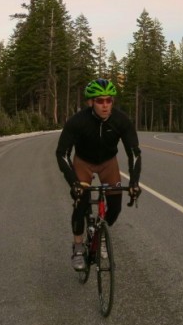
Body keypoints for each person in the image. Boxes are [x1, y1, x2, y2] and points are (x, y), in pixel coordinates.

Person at [55, 78, 142, 271]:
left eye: (108, 100)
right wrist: (74, 182)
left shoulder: (121, 120)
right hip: (83, 162)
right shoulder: (78, 122)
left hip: (108, 163)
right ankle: (78, 247)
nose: (105, 105)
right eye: (100, 101)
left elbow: (134, 153)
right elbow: (62, 153)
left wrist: (134, 182)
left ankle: (99, 234)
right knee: (81, 201)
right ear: (90, 102)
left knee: (116, 207)